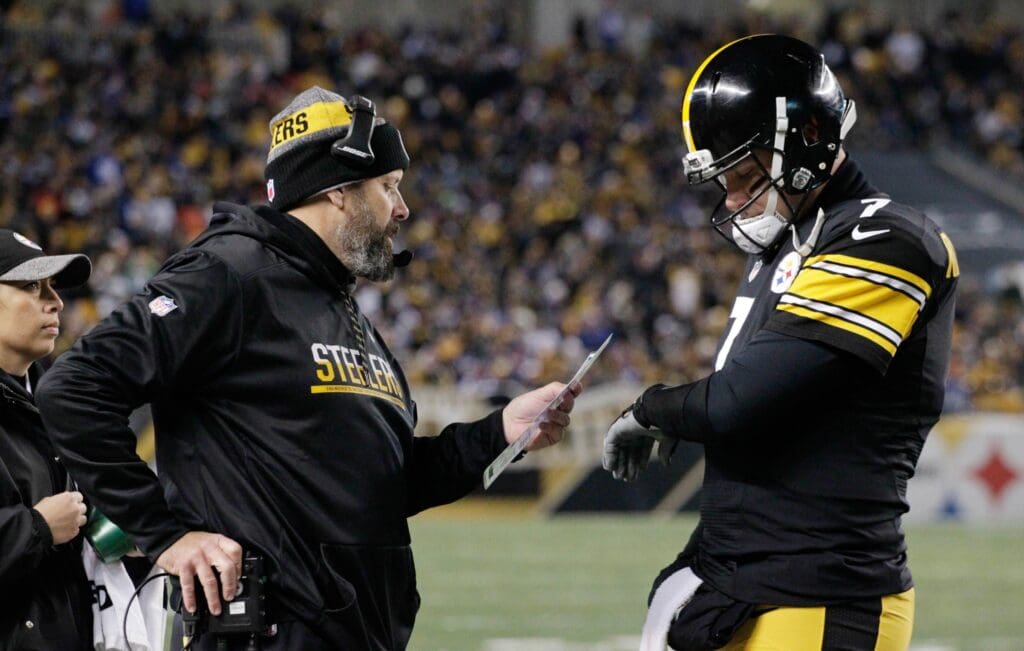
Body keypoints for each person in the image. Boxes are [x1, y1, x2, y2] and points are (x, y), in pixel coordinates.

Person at [36, 87, 580, 651]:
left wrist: (500, 434)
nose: (403, 208)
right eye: (388, 186)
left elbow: (383, 486)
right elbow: (74, 388)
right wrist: (167, 535)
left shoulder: (341, 310)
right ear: (337, 191)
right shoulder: (230, 275)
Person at [602, 35, 959, 651]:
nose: (733, 200)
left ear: (809, 139)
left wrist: (650, 408)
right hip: (737, 583)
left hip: (821, 594)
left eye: (743, 176)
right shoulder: (791, 245)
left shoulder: (886, 238)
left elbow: (739, 401)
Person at [0, 230, 93, 650]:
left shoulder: (53, 405)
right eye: (31, 286)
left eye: (53, 287)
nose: (55, 301)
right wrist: (36, 528)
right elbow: (47, 525)